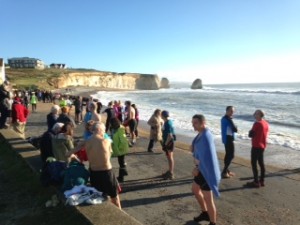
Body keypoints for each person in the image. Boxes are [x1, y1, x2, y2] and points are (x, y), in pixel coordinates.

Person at [68, 122, 121, 209]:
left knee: (98, 197)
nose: (105, 132)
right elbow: (111, 153)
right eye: (104, 130)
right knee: (114, 197)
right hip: (107, 173)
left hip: (94, 173)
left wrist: (75, 157)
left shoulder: (85, 142)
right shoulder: (107, 141)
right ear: (100, 130)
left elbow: (68, 154)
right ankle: (120, 214)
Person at [191, 114, 220, 225]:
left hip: (207, 172)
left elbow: (207, 158)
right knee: (195, 189)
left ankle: (212, 222)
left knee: (208, 198)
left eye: (196, 123)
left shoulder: (206, 137)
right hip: (201, 170)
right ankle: (205, 213)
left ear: (203, 123)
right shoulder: (201, 134)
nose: (193, 125)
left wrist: (197, 168)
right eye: (192, 123)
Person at [246, 109, 269, 188]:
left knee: (254, 163)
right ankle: (262, 180)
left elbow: (251, 135)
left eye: (256, 113)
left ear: (260, 115)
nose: (254, 115)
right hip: (262, 145)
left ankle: (256, 181)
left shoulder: (257, 124)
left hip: (256, 145)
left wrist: (250, 132)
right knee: (261, 163)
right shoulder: (266, 123)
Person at [221, 106, 238, 178]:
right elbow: (235, 129)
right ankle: (224, 171)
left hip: (226, 138)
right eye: (231, 111)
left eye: (233, 111)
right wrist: (236, 127)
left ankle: (227, 170)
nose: (232, 112)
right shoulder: (228, 119)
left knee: (228, 154)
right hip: (228, 138)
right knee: (231, 155)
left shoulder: (224, 118)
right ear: (227, 111)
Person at [110, 118, 129, 182]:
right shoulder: (113, 129)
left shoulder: (120, 129)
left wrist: (120, 148)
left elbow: (123, 141)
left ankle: (121, 177)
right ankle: (123, 173)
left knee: (121, 162)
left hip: (121, 149)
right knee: (121, 161)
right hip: (118, 148)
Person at [161, 110, 176, 180]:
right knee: (169, 157)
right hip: (169, 141)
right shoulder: (168, 121)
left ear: (162, 116)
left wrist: (165, 144)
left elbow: (170, 135)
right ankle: (170, 171)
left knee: (170, 157)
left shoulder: (168, 123)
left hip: (169, 142)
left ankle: (171, 173)